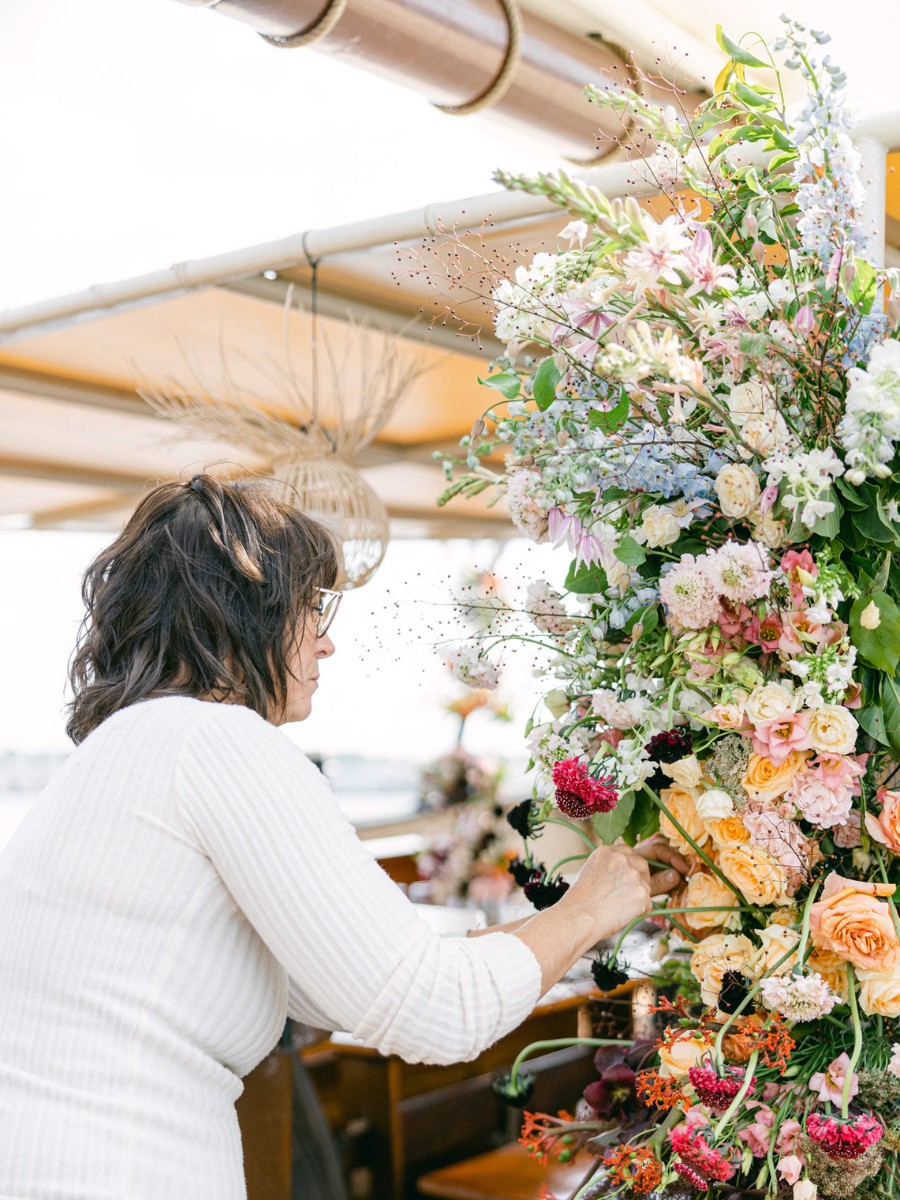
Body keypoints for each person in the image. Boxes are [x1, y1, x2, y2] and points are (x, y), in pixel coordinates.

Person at [0, 475, 684, 1200]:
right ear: (245, 612)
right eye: (312, 607)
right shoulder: (220, 742)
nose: (326, 642)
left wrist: (579, 910)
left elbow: (385, 977)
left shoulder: (124, 752)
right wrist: (590, 912)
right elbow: (435, 1011)